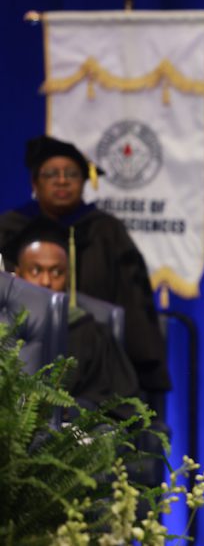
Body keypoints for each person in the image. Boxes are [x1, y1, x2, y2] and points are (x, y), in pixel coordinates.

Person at [0, 136, 169, 401]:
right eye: (51, 174)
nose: (62, 181)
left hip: (89, 347)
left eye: (72, 174)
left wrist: (145, 365)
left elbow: (134, 301)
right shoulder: (10, 227)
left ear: (84, 182)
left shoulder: (106, 230)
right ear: (35, 183)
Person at [3, 215, 140, 411]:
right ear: (17, 273)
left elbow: (117, 402)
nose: (46, 281)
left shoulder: (88, 332)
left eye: (56, 272)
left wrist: (69, 412)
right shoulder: (4, 332)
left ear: (68, 276)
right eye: (35, 270)